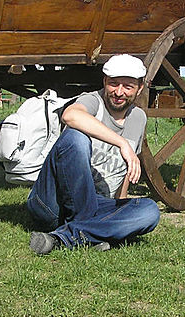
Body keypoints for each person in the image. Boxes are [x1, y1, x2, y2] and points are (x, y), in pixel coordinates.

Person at [26, 54, 161, 254]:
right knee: (75, 138)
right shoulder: (93, 101)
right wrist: (122, 143)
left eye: (128, 87)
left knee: (149, 211)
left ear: (140, 88)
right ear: (105, 81)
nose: (119, 92)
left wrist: (120, 205)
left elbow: (124, 171)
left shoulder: (138, 118)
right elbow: (70, 115)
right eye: (114, 84)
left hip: (97, 204)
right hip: (54, 202)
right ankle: (93, 230)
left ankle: (61, 238)